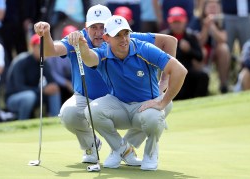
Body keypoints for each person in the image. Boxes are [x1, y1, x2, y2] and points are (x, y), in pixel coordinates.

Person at [34, 4, 178, 166]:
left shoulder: (122, 36)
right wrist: (45, 34)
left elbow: (170, 41)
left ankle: (124, 148)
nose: (98, 32)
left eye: (102, 27)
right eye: (93, 27)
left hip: (118, 98)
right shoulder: (76, 38)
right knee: (69, 113)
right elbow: (50, 51)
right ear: (86, 27)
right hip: (87, 97)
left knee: (151, 109)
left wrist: (164, 81)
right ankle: (93, 146)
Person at [68, 15, 187, 170]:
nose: (124, 39)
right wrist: (83, 46)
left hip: (144, 106)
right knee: (92, 111)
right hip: (119, 106)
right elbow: (90, 59)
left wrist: (162, 102)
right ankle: (121, 149)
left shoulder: (144, 48)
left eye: (126, 33)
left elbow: (180, 70)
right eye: (118, 35)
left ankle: (150, 153)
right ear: (106, 38)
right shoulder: (103, 52)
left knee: (153, 117)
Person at [5, 34, 61, 120]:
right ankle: (23, 123)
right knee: (29, 96)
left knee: (54, 89)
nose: (43, 50)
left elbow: (52, 83)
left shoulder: (44, 62)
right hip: (13, 99)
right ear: (32, 47)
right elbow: (19, 87)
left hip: (34, 94)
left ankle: (56, 120)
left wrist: (48, 88)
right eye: (39, 47)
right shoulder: (21, 61)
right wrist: (42, 90)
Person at [161, 7, 208, 99]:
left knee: (203, 76)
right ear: (169, 23)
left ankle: (199, 102)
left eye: (179, 22)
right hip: (170, 74)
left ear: (185, 21)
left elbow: (200, 57)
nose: (177, 25)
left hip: (188, 72)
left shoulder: (191, 36)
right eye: (174, 22)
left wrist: (189, 50)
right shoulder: (164, 37)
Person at [189, 0, 231, 93]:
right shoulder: (196, 20)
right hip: (202, 51)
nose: (213, 9)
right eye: (211, 7)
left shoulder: (220, 20)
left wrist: (213, 27)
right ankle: (202, 86)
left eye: (216, 7)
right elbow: (198, 42)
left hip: (215, 51)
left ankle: (223, 85)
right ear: (204, 8)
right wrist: (206, 27)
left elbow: (223, 39)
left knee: (224, 49)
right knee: (202, 51)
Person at [46, 25, 77, 104]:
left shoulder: (81, 48)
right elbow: (50, 72)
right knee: (52, 86)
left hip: (71, 80)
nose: (72, 43)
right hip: (53, 79)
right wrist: (66, 83)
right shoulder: (56, 47)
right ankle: (53, 114)